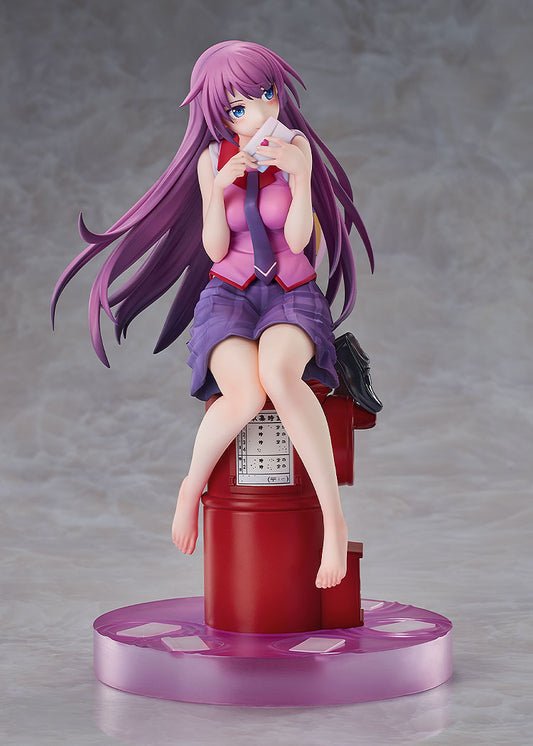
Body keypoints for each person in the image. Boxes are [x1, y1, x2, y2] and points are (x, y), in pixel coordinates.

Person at [51, 41, 374, 589]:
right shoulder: (211, 160)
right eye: (241, 106)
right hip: (229, 293)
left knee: (279, 375)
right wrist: (218, 188)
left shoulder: (296, 149)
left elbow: (300, 241)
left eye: (267, 94)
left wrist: (299, 178)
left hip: (292, 290)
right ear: (220, 114)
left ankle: (333, 520)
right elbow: (216, 249)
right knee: (243, 394)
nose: (261, 112)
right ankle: (190, 488)